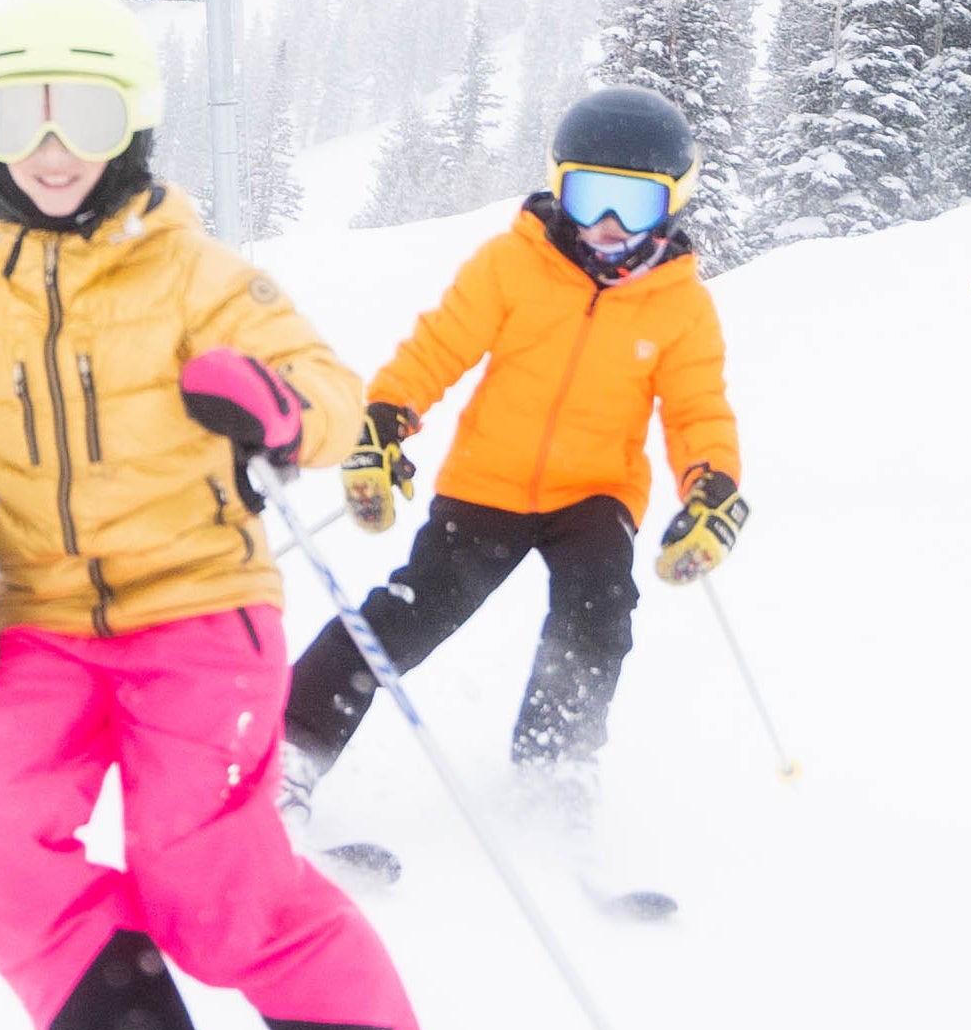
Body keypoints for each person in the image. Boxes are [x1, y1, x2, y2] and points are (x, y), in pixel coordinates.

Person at [0, 0, 461, 1030]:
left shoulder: (199, 274)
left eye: (82, 115)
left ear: (133, 123)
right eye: (19, 116)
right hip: (41, 623)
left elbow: (326, 388)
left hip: (198, 610)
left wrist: (276, 408)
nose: (52, 148)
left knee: (206, 878)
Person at [279, 84, 745, 851]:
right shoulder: (512, 263)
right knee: (410, 611)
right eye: (589, 195)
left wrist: (711, 484)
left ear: (673, 202)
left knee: (598, 612)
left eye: (634, 202)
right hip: (487, 483)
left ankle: (555, 760)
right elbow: (438, 346)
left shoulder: (679, 305)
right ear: (558, 186)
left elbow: (697, 409)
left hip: (594, 493)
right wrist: (387, 416)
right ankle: (290, 745)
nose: (607, 222)